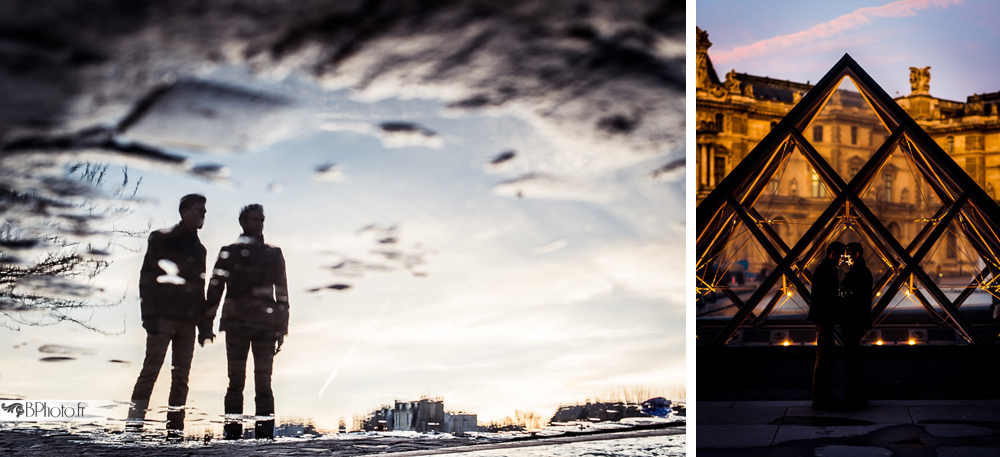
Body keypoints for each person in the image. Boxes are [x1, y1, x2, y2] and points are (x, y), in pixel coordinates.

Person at [202, 204, 289, 440]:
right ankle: (232, 435)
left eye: (262, 220)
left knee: (264, 383)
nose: (259, 224)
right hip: (236, 324)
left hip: (264, 326)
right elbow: (214, 290)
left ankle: (264, 436)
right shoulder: (228, 252)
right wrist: (206, 324)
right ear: (243, 222)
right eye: (254, 220)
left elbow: (282, 293)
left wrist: (282, 327)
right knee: (235, 382)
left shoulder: (273, 254)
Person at [127, 194, 210, 438]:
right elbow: (147, 277)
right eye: (198, 210)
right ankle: (133, 428)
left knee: (181, 378)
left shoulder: (200, 249)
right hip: (162, 317)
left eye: (204, 211)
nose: (202, 215)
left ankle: (175, 432)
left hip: (188, 322)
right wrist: (148, 315)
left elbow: (200, 288)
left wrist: (204, 326)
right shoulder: (162, 238)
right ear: (184, 211)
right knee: (150, 371)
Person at [807, 241, 844, 410]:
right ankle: (819, 397)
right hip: (824, 319)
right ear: (833, 253)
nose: (842, 260)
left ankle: (823, 395)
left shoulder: (824, 269)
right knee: (823, 358)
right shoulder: (825, 270)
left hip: (823, 318)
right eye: (840, 256)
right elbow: (826, 297)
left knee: (826, 358)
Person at [840, 242, 872, 409]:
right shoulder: (862, 270)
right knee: (852, 358)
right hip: (858, 318)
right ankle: (856, 393)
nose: (845, 257)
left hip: (853, 319)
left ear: (856, 254)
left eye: (848, 253)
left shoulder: (857, 272)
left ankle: (854, 393)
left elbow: (849, 296)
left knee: (850, 358)